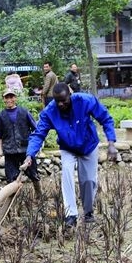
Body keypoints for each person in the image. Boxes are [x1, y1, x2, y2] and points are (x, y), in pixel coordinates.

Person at [23, 83, 118, 228]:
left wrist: (111, 143)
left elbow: (105, 118)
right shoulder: (50, 111)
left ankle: (88, 212)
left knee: (89, 181)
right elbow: (38, 134)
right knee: (66, 173)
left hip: (88, 145)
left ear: (70, 95)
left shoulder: (85, 101)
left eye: (64, 100)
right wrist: (30, 154)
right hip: (67, 147)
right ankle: (71, 214)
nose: (61, 104)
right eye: (57, 101)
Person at [0, 89, 42, 198]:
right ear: (4, 99)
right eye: (7, 97)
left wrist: (37, 146)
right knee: (11, 179)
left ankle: (39, 195)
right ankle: (14, 201)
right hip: (10, 152)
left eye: (11, 97)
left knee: (33, 174)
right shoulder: (0, 117)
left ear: (15, 98)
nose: (9, 100)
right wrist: (0, 150)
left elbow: (36, 129)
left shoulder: (24, 112)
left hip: (26, 150)